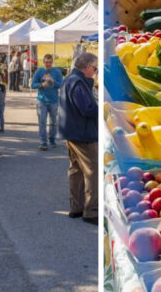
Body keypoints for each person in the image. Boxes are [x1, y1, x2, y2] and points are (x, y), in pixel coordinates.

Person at [58, 53, 98, 224]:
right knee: (92, 170)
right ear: (87, 67)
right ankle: (91, 210)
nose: (95, 71)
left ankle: (76, 207)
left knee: (76, 169)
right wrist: (100, 108)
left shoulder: (70, 79)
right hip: (82, 133)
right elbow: (87, 109)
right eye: (94, 68)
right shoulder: (78, 82)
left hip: (71, 130)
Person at [31, 54, 63, 150]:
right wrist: (41, 84)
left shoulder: (57, 72)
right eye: (46, 62)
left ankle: (52, 139)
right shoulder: (39, 71)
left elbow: (61, 85)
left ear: (52, 62)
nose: (48, 64)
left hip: (53, 101)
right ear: (43, 62)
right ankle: (43, 142)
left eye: (49, 62)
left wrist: (54, 82)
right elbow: (33, 85)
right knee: (42, 122)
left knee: (53, 122)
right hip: (42, 101)